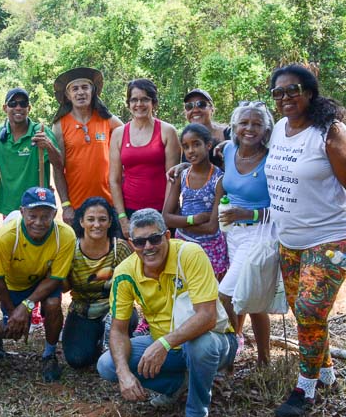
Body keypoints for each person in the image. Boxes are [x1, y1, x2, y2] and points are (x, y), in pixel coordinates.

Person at [97, 209, 237, 417]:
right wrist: (124, 373)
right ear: (132, 244)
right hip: (166, 345)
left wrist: (164, 343)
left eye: (154, 238)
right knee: (108, 365)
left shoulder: (190, 254)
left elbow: (207, 317)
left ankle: (196, 413)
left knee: (199, 346)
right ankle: (177, 385)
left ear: (167, 237)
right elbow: (118, 330)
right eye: (140, 242)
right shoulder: (125, 272)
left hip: (215, 339)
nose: (148, 247)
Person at [264, 64, 346, 417]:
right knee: (305, 314)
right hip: (290, 240)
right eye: (278, 93)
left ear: (310, 92)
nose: (285, 98)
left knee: (310, 310)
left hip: (329, 238)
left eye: (292, 90)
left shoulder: (330, 133)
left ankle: (305, 388)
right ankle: (327, 371)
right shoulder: (280, 129)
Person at [196, 102, 273, 366]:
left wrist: (248, 214)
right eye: (244, 123)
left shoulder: (271, 158)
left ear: (266, 130)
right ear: (235, 127)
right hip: (233, 235)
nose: (249, 129)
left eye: (256, 124)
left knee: (226, 294)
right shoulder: (227, 150)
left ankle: (229, 350)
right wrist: (181, 169)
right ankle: (262, 360)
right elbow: (206, 166)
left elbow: (283, 209)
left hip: (261, 234)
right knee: (254, 296)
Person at [0, 187, 76, 382]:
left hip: (44, 281)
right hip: (14, 285)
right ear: (22, 212)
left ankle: (49, 355)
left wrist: (26, 306)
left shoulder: (66, 235)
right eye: (33, 215)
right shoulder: (5, 236)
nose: (39, 222)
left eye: (46, 216)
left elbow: (55, 278)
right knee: (13, 329)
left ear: (55, 214)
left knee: (53, 305)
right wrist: (13, 312)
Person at [62, 197, 134, 369]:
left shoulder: (121, 248)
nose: (97, 225)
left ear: (110, 222)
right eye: (91, 219)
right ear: (81, 221)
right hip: (82, 310)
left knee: (129, 317)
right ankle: (97, 342)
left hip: (115, 311)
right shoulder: (71, 248)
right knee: (77, 360)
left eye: (102, 219)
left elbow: (134, 285)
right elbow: (64, 288)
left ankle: (116, 342)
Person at [51, 67, 123, 224]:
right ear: (68, 95)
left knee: (113, 248)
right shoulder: (59, 126)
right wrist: (66, 205)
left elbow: (129, 140)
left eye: (85, 87)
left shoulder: (107, 120)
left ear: (93, 91)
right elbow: (57, 168)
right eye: (75, 89)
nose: (80, 92)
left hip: (109, 204)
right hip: (77, 207)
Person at [109, 79, 180, 238]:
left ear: (154, 103)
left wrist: (165, 216)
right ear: (128, 103)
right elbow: (114, 179)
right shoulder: (119, 134)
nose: (139, 104)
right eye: (134, 99)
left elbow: (173, 178)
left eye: (145, 99)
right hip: (129, 211)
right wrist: (122, 218)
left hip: (161, 209)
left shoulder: (167, 131)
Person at [163, 124, 228, 280]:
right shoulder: (181, 175)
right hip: (182, 245)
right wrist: (194, 219)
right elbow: (165, 217)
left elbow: (212, 227)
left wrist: (180, 222)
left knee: (212, 294)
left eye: (196, 144)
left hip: (210, 248)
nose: (191, 150)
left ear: (208, 145)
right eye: (186, 147)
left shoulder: (219, 179)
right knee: (184, 292)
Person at [0, 88, 64, 217]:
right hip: (10, 206)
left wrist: (49, 146)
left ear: (29, 108)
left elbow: (59, 164)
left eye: (23, 104)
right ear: (5, 108)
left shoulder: (41, 131)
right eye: (13, 104)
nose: (18, 107)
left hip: (38, 205)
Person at [182, 89, 229, 168]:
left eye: (201, 104)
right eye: (189, 106)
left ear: (212, 108)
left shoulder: (228, 134)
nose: (195, 110)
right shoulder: (185, 138)